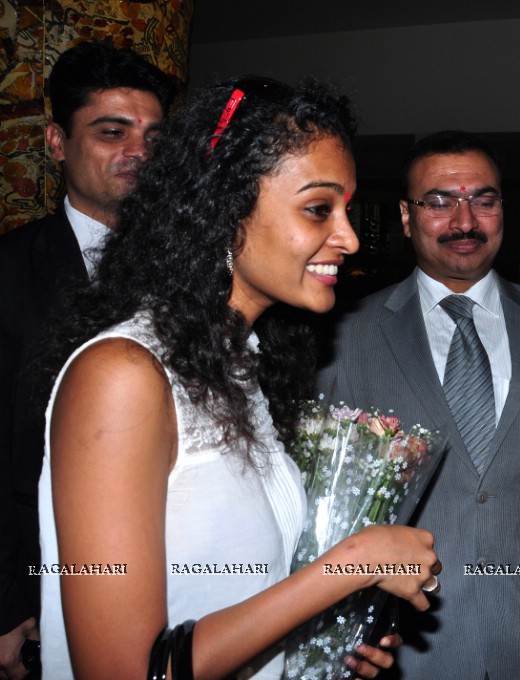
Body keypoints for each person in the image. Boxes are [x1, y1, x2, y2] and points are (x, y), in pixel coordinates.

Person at [35, 76, 441, 679]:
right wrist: (350, 564)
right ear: (226, 211)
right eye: (317, 208)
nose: (349, 238)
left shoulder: (237, 368)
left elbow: (227, 600)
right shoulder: (122, 376)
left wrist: (316, 646)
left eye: (347, 210)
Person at [315, 130, 520, 679]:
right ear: (406, 218)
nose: (464, 221)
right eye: (438, 201)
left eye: (483, 199)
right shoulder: (347, 335)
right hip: (399, 646)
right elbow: (326, 511)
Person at [0, 39, 176, 680]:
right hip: (38, 589)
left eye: (154, 136)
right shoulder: (10, 272)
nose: (138, 153)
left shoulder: (197, 278)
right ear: (55, 143)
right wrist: (5, 608)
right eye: (112, 132)